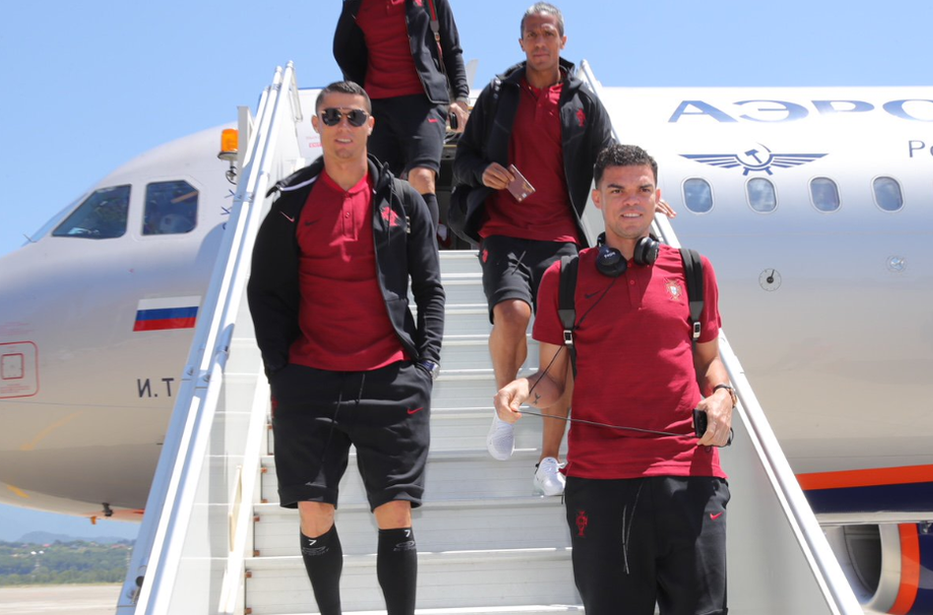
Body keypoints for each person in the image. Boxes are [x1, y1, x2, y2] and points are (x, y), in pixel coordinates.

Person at [493, 144, 733, 615]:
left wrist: (723, 395)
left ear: (656, 196)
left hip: (690, 474)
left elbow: (711, 363)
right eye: (617, 189)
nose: (631, 200)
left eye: (643, 189)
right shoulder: (563, 278)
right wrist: (523, 387)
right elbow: (552, 381)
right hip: (601, 484)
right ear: (598, 199)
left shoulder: (692, 270)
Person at [452, 3, 674, 495]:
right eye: (530, 35)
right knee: (511, 315)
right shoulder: (497, 93)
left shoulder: (581, 101)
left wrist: (643, 197)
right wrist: (482, 172)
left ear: (562, 42)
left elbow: (612, 157)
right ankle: (505, 413)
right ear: (521, 42)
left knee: (563, 348)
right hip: (504, 230)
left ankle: (550, 459)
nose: (539, 42)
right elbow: (464, 158)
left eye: (547, 34)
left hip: (560, 237)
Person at [247, 81, 445, 615]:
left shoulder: (401, 199)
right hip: (309, 380)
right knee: (314, 512)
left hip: (389, 377)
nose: (343, 127)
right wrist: (278, 370)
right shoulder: (291, 204)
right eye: (331, 116)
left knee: (395, 514)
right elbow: (262, 292)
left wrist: (425, 364)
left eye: (354, 117)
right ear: (316, 125)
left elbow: (429, 288)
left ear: (370, 126)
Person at [334, 0, 470, 240]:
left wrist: (460, 97)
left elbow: (451, 47)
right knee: (382, 188)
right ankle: (391, 262)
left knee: (422, 176)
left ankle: (427, 263)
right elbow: (348, 50)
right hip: (376, 107)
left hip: (424, 101)